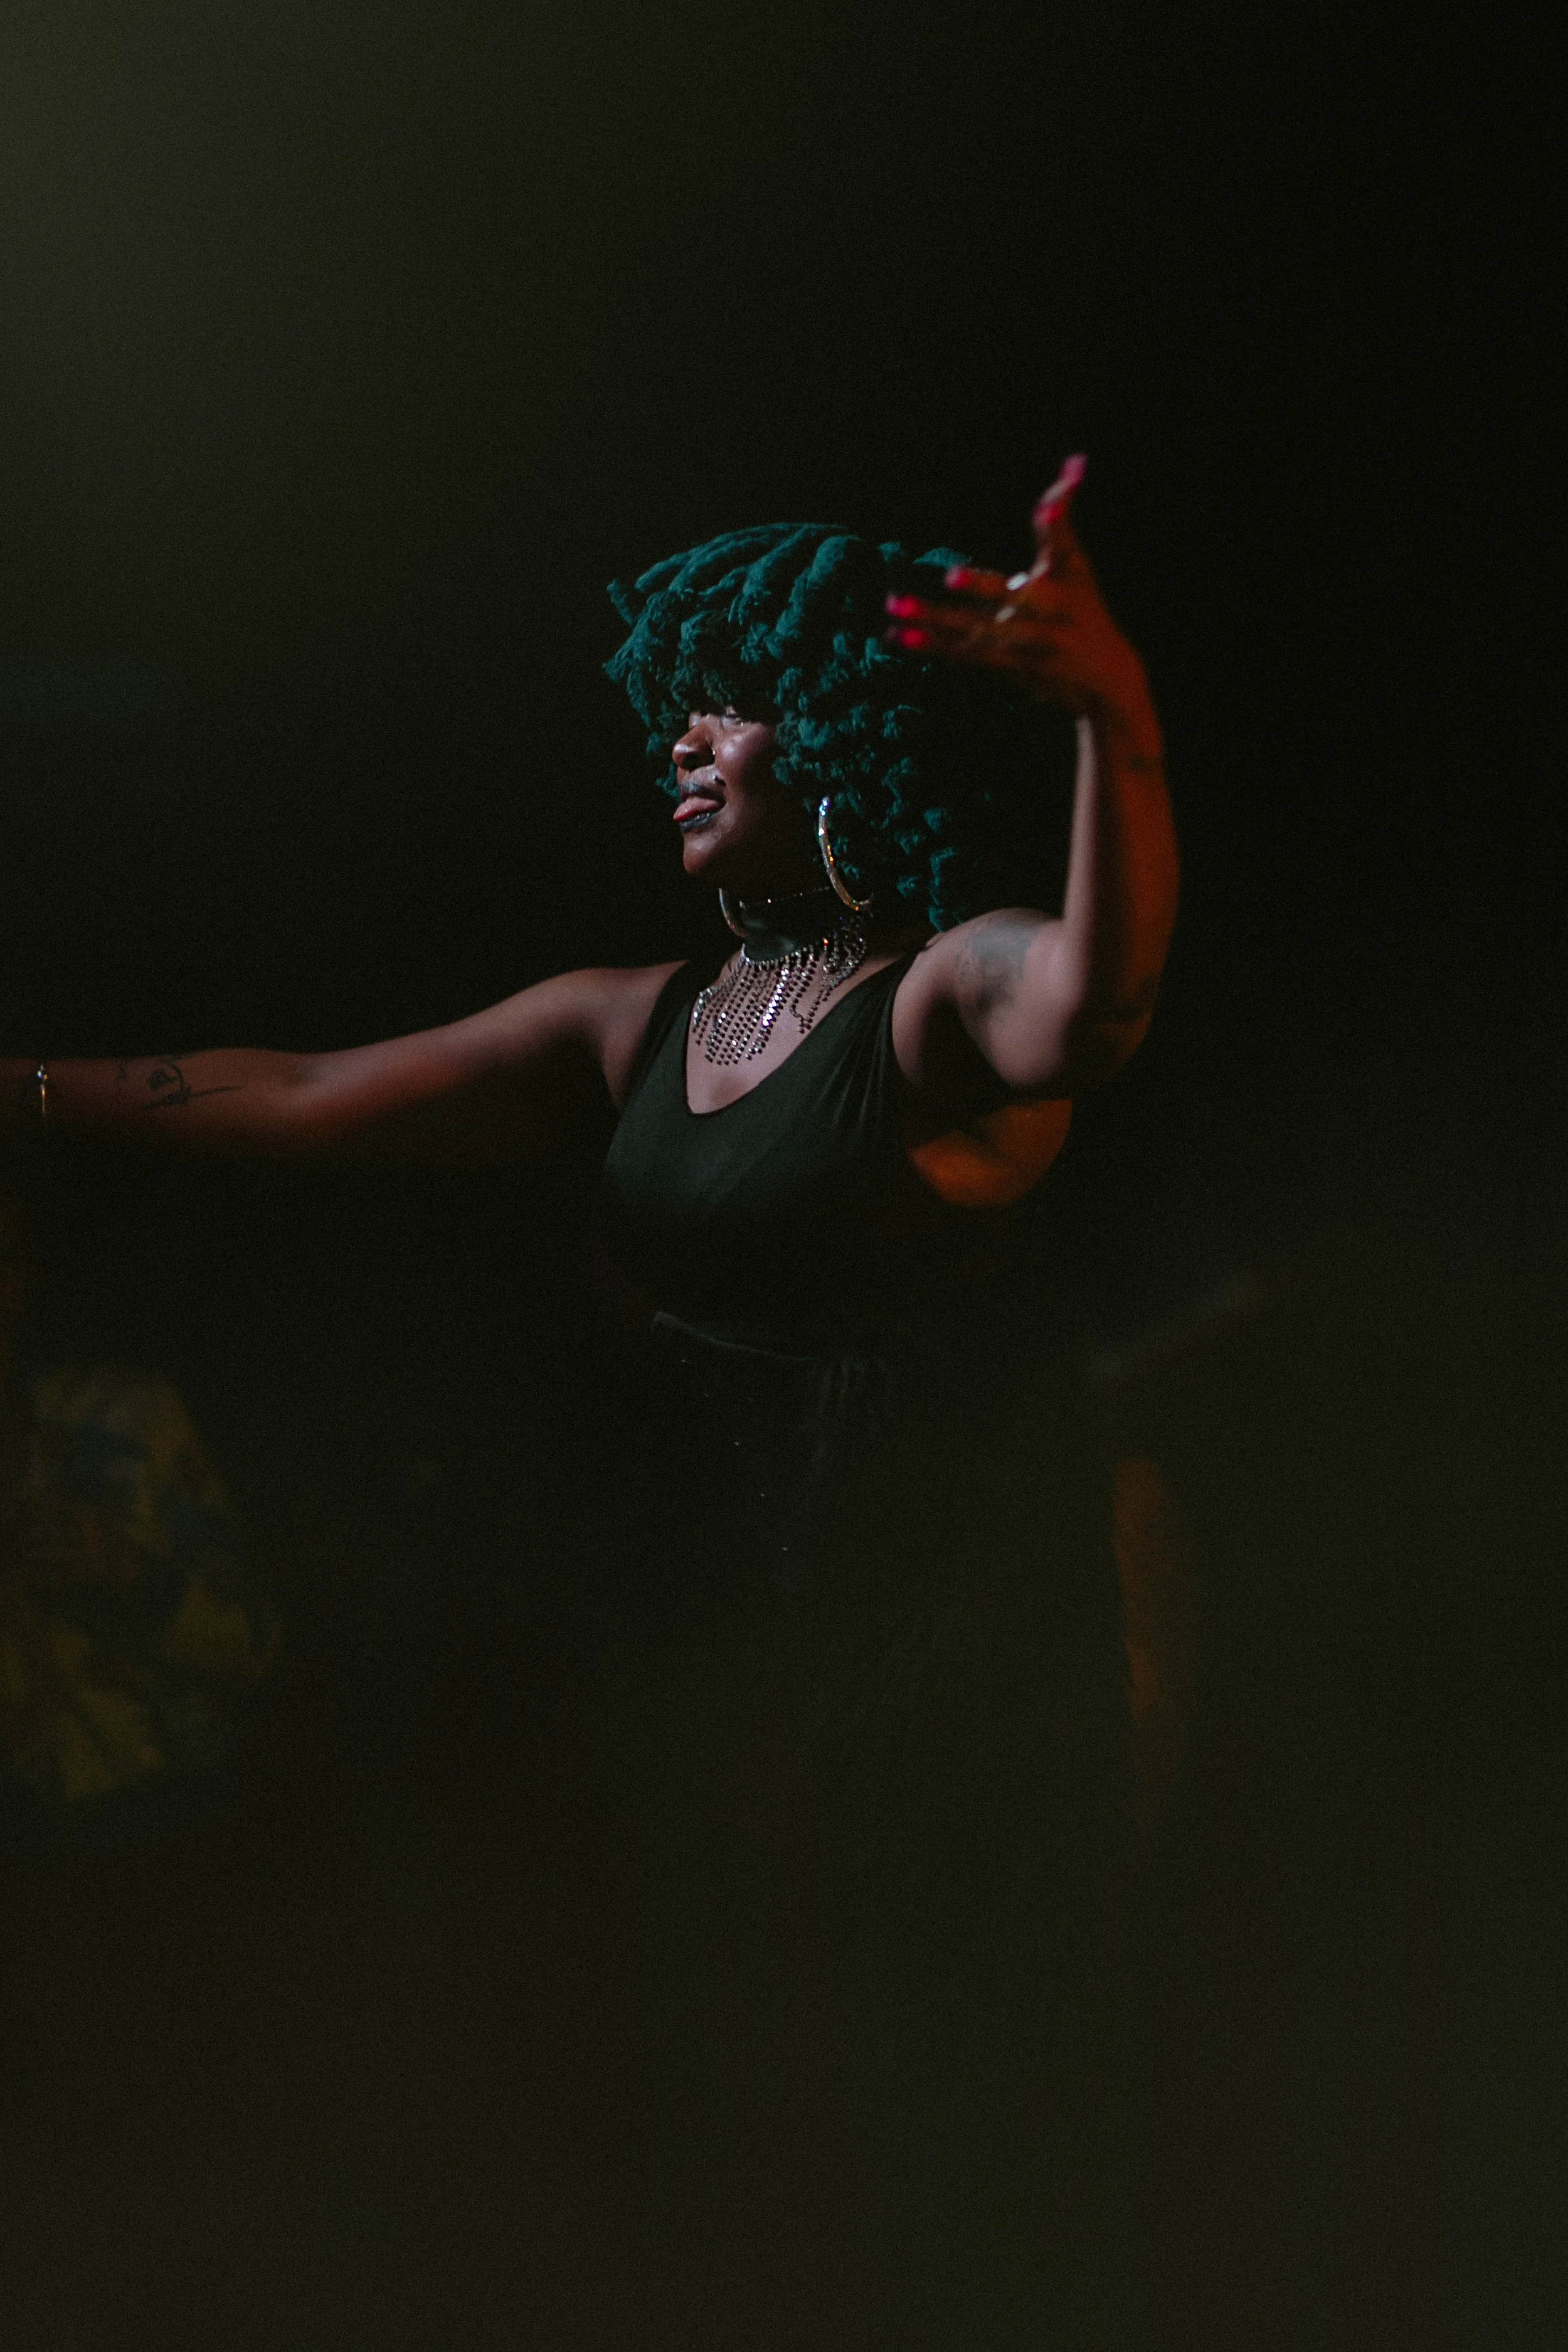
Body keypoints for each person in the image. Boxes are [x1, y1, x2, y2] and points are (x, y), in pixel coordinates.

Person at [3, 460, 1178, 2341]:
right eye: (679, 705)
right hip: (747, 1626)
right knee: (749, 2129)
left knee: (977, 2136)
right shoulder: (637, 1019)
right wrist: (32, 1087)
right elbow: (303, 1092)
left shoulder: (939, 1004)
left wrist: (1109, 714)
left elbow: (1093, 1003)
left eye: (731, 702)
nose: (687, 740)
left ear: (840, 728)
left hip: (969, 1654)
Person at [0, 1181, 278, 1845]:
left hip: (170, 1815)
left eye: (1, 1259)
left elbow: (255, 1645)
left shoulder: (126, 1417)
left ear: (30, 1274)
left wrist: (130, 1572)